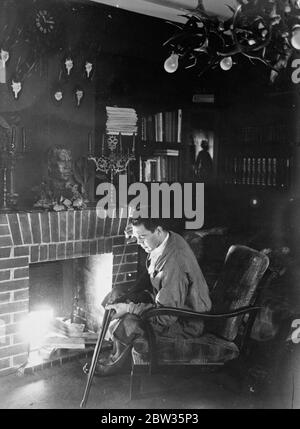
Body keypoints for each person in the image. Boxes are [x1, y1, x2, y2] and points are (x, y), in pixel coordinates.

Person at [83, 217, 211, 376]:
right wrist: (126, 297)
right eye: (137, 237)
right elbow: (153, 273)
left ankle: (116, 362)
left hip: (185, 321)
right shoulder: (167, 238)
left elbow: (166, 317)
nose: (138, 242)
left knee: (129, 322)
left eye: (142, 237)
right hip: (165, 301)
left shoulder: (175, 262)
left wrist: (129, 307)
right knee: (116, 293)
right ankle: (118, 350)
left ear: (158, 230)